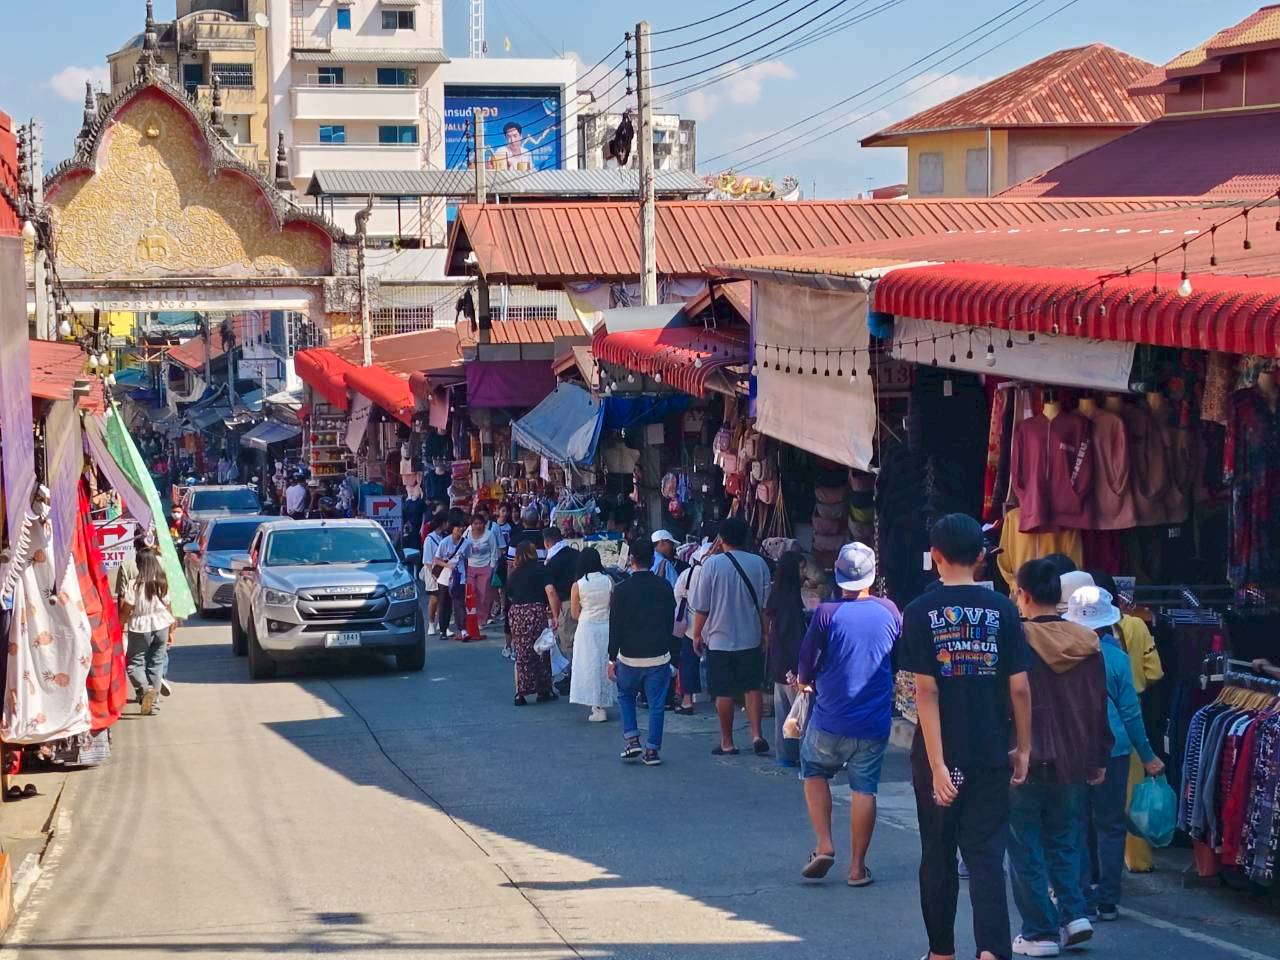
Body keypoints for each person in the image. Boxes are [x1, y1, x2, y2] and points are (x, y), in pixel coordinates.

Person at [898, 514, 1032, 960]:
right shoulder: (1004, 610)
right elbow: (1019, 687)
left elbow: (926, 692)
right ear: (981, 557)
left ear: (935, 556)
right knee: (986, 855)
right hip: (991, 750)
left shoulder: (918, 612)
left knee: (937, 853)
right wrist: (1024, 747)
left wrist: (937, 766)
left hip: (940, 755)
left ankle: (941, 952)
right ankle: (992, 950)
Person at [1006, 560, 1114, 957]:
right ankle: (1074, 915)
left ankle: (1039, 930)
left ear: (1025, 595)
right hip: (1074, 756)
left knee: (1025, 845)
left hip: (1025, 755)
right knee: (1064, 838)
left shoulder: (1014, 639)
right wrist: (1099, 754)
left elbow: (1007, 700)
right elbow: (1098, 706)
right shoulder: (1088, 642)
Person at [797, 542, 900, 887]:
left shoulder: (827, 613)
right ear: (872, 576)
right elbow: (897, 658)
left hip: (830, 717)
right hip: (873, 721)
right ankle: (857, 868)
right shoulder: (889, 611)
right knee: (864, 789)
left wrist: (804, 681)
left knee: (813, 770)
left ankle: (824, 844)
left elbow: (806, 662)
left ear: (838, 576)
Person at [1063, 584, 1165, 924]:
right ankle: (1108, 900)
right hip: (1115, 749)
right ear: (1110, 624)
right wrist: (1149, 756)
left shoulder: (1062, 657)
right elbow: (1131, 714)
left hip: (1072, 748)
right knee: (1109, 825)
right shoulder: (1119, 660)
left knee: (1075, 824)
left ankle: (1081, 900)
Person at [1088, 570, 1165, 873]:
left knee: (1083, 816)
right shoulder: (1135, 625)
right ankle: (1138, 861)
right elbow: (1155, 671)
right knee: (1129, 799)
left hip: (1083, 735)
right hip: (1125, 726)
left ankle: (1088, 881)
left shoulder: (1069, 644)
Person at [690, 516, 772, 756]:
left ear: (722, 539)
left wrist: (696, 634)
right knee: (752, 687)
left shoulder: (712, 565)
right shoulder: (759, 564)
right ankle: (756, 734)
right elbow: (765, 606)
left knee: (723, 691)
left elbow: (702, 606)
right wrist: (766, 632)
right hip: (750, 636)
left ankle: (727, 741)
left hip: (719, 639)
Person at [608, 538, 679, 766]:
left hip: (629, 655)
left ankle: (632, 738)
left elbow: (615, 625)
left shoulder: (621, 590)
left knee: (625, 695)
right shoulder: (665, 587)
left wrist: (611, 658)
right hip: (658, 653)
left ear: (631, 560)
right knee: (657, 703)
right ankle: (652, 750)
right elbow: (670, 621)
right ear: (653, 558)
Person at [120, 550, 177, 717]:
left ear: (139, 565)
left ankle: (145, 691)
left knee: (135, 663)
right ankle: (153, 703)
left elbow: (126, 609)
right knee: (156, 663)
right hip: (161, 626)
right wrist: (172, 630)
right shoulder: (162, 582)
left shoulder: (134, 585)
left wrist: (119, 624)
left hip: (140, 627)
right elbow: (169, 607)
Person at [765, 551, 806, 767]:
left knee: (785, 712)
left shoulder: (778, 596)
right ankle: (799, 754)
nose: (804, 573)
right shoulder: (790, 602)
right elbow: (794, 639)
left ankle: (785, 755)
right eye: (801, 568)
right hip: (791, 665)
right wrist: (800, 670)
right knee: (799, 712)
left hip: (779, 662)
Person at [505, 541, 557, 704]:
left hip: (518, 613)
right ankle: (544, 689)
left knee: (521, 652)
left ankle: (520, 692)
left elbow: (509, 595)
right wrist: (555, 614)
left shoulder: (514, 573)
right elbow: (550, 591)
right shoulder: (542, 569)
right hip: (536, 611)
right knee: (541, 649)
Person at [569, 548, 615, 722]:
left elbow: (574, 613)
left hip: (587, 627)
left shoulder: (578, 585)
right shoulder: (608, 580)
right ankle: (603, 702)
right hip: (606, 625)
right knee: (605, 663)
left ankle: (595, 706)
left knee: (588, 665)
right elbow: (614, 605)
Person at [673, 541, 716, 715]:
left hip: (691, 625)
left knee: (689, 662)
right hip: (717, 625)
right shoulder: (717, 572)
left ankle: (687, 701)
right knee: (716, 662)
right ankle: (720, 698)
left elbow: (677, 596)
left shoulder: (687, 574)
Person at [544, 527, 579, 690]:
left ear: (547, 542)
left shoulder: (552, 563)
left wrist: (555, 614)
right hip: (582, 602)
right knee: (578, 641)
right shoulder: (576, 554)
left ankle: (572, 677)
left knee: (568, 644)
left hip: (565, 603)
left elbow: (552, 592)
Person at [432, 514, 470, 640]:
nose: (460, 530)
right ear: (452, 528)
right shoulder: (445, 542)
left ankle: (463, 629)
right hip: (444, 577)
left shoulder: (466, 543)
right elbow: (436, 560)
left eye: (462, 527)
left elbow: (466, 559)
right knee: (444, 604)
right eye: (458, 527)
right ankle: (443, 630)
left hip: (459, 577)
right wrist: (447, 565)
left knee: (459, 603)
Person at [464, 514, 500, 632]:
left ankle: (481, 619)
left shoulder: (489, 535)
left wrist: (492, 567)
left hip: (485, 567)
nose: (478, 526)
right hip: (470, 567)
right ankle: (470, 617)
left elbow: (494, 551)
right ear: (471, 524)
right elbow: (461, 545)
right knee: (471, 593)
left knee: (484, 595)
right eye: (475, 523)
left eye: (480, 523)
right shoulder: (467, 533)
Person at [420, 511, 448, 636]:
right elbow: (427, 560)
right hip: (433, 572)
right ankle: (431, 623)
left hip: (444, 571)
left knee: (445, 599)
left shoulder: (444, 537)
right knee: (434, 598)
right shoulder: (429, 539)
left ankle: (442, 624)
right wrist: (434, 575)